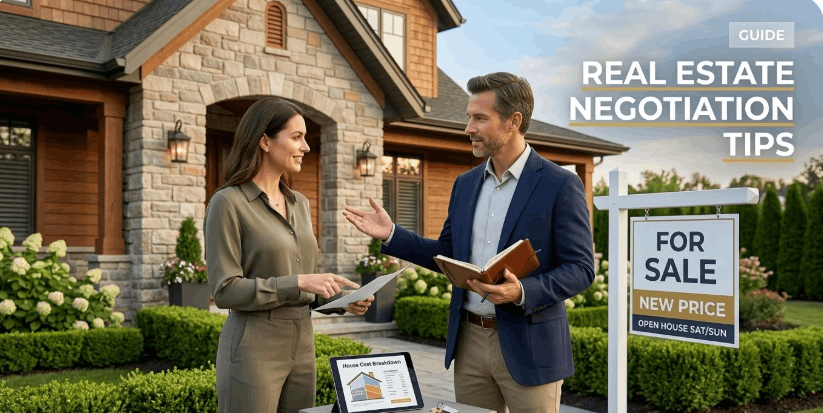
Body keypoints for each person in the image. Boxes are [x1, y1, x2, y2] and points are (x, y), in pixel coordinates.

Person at [343, 72, 594, 413]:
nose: (468, 128)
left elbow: (580, 269)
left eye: (480, 118)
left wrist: (522, 291)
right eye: (469, 117)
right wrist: (392, 234)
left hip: (531, 347)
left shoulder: (560, 184)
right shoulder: (465, 184)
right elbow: (447, 255)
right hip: (470, 342)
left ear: (513, 121)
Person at [205, 97, 373, 413]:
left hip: (303, 341)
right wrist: (298, 282)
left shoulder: (300, 204)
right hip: (254, 344)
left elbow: (307, 286)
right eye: (296, 137)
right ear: (264, 141)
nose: (306, 147)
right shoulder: (228, 203)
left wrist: (342, 301)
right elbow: (225, 290)